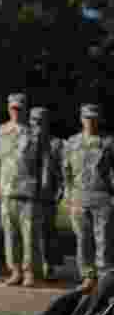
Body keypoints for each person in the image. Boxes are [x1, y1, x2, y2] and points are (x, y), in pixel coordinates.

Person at [0, 93, 43, 287]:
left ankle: (29, 272)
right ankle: (15, 270)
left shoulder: (34, 133)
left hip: (28, 192)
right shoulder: (0, 132)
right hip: (7, 191)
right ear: (8, 109)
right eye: (13, 108)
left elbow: (44, 163)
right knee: (10, 234)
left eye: (19, 109)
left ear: (25, 110)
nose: (16, 112)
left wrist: (43, 187)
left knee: (29, 235)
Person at [62, 104, 114, 292]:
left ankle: (104, 278)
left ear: (98, 120)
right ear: (81, 119)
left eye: (93, 118)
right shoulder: (72, 142)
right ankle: (88, 276)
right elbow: (66, 171)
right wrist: (69, 196)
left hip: (102, 197)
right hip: (79, 198)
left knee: (104, 241)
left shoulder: (108, 142)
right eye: (87, 118)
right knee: (83, 240)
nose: (90, 122)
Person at [31, 107, 64, 280]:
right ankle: (31, 266)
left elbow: (63, 170)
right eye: (34, 121)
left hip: (47, 195)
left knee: (47, 231)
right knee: (30, 232)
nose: (36, 124)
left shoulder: (56, 144)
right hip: (27, 193)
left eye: (40, 121)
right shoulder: (25, 142)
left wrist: (61, 190)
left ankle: (48, 265)